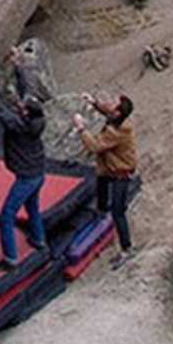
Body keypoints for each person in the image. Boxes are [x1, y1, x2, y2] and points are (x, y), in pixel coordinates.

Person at [0, 52, 48, 270]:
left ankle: (10, 259)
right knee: (33, 208)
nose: (20, 105)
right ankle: (39, 241)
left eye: (22, 107)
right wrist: (17, 66)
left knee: (6, 215)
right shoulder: (36, 119)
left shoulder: (19, 126)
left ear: (26, 114)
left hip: (28, 176)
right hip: (37, 172)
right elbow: (26, 91)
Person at [72, 92, 138, 268]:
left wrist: (81, 129)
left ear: (118, 114)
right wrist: (94, 103)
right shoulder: (118, 118)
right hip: (109, 168)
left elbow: (95, 146)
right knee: (101, 183)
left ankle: (127, 248)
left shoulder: (117, 132)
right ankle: (101, 212)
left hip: (120, 172)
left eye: (113, 104)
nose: (110, 104)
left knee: (118, 212)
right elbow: (107, 111)